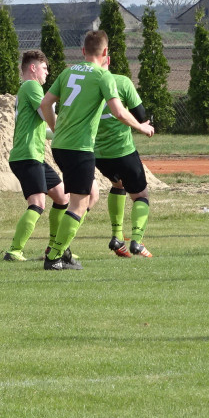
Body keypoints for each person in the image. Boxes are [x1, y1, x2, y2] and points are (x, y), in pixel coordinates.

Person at [39, 30, 154, 271]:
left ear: (83, 51)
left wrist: (55, 127)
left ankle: (62, 249)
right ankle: (55, 257)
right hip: (79, 148)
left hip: (60, 146)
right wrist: (141, 127)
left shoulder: (68, 71)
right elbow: (120, 112)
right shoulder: (104, 76)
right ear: (105, 54)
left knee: (87, 196)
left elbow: (45, 103)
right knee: (80, 204)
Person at [3, 50, 70, 262]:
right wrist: (67, 124)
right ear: (33, 68)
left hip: (34, 156)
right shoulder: (32, 86)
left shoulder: (29, 90)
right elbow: (45, 114)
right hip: (27, 155)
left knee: (62, 197)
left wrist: (65, 132)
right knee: (38, 203)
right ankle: (14, 250)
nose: (47, 73)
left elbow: (47, 129)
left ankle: (53, 248)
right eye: (44, 68)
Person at [95, 72, 153, 258]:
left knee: (117, 185)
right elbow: (140, 113)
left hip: (98, 153)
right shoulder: (121, 82)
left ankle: (117, 237)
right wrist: (143, 124)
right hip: (122, 150)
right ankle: (137, 240)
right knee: (141, 195)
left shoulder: (86, 83)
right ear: (107, 56)